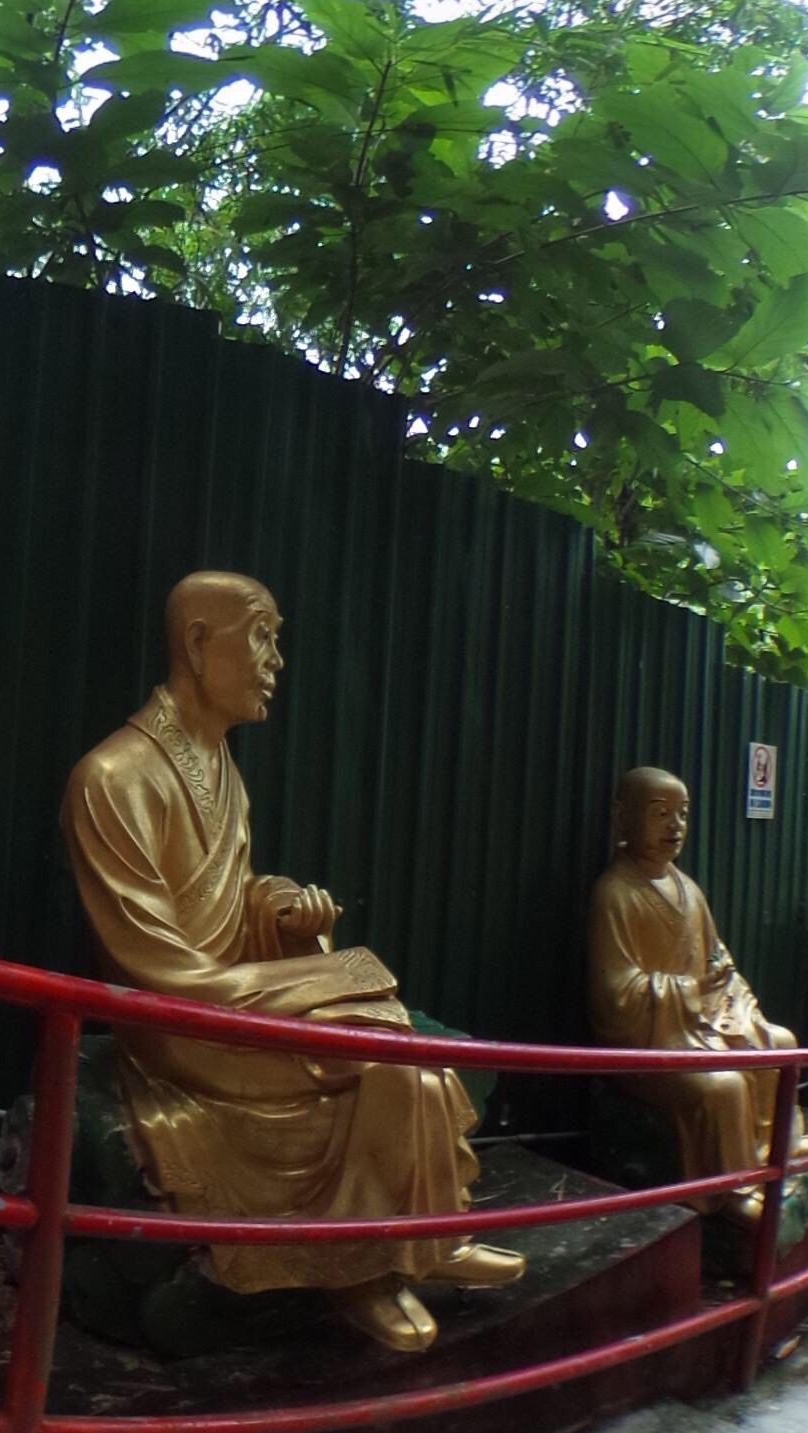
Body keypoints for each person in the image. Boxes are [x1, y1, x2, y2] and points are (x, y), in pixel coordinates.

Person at [66, 570, 513, 1355]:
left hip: (235, 993)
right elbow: (156, 963)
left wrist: (273, 910)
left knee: (392, 1040)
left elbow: (227, 904)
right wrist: (316, 979)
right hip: (179, 1020)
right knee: (382, 1041)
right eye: (263, 636)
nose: (276, 660)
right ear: (201, 644)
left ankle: (412, 1240)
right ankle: (365, 1270)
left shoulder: (222, 772)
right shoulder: (112, 778)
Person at [586, 767, 808, 1187]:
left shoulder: (689, 890)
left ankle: (775, 1145)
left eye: (682, 814)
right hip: (653, 1039)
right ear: (623, 818)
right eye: (660, 814)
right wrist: (690, 991)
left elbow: (719, 962)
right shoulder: (615, 892)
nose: (675, 826)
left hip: (705, 1021)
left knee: (779, 1042)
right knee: (723, 1087)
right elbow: (615, 993)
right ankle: (736, 1186)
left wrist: (737, 1010)